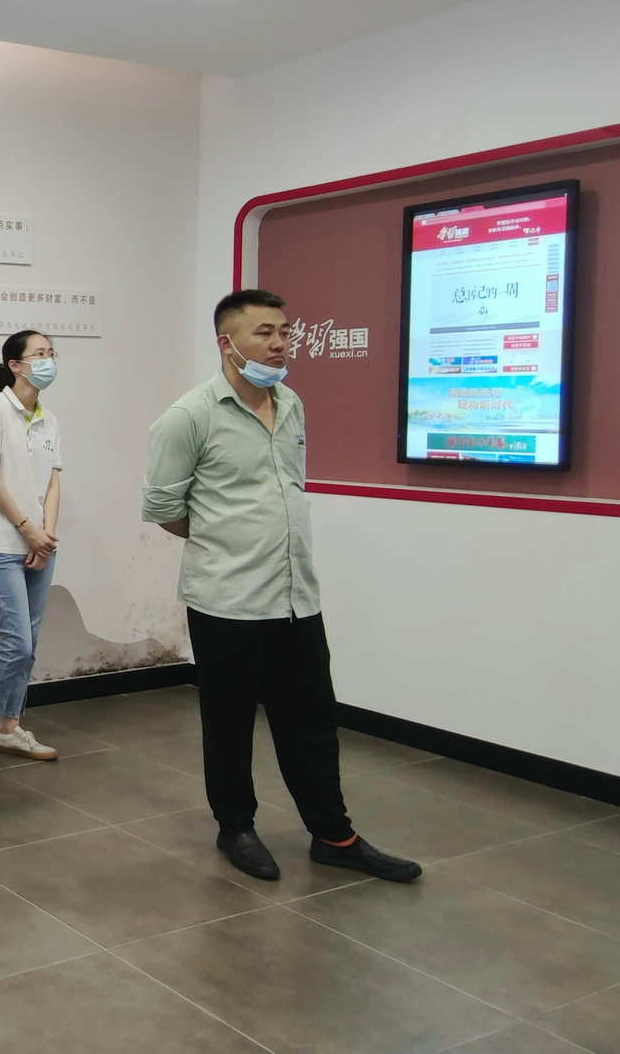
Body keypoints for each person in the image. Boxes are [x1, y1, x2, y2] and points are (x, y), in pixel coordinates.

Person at [143, 288, 421, 884]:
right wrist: (223, 537)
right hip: (226, 600)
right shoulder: (188, 417)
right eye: (264, 333)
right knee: (229, 724)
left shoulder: (291, 403)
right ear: (227, 343)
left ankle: (334, 835)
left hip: (296, 597)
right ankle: (236, 828)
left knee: (313, 723)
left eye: (284, 331)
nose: (280, 343)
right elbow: (163, 507)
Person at [0, 331, 63, 773]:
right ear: (15, 365)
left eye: (51, 353)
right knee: (16, 642)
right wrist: (26, 529)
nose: (48, 360)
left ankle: (9, 726)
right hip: (4, 544)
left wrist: (46, 535)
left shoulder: (49, 419)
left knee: (29, 643)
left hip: (41, 545)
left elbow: (53, 480)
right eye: (39, 354)